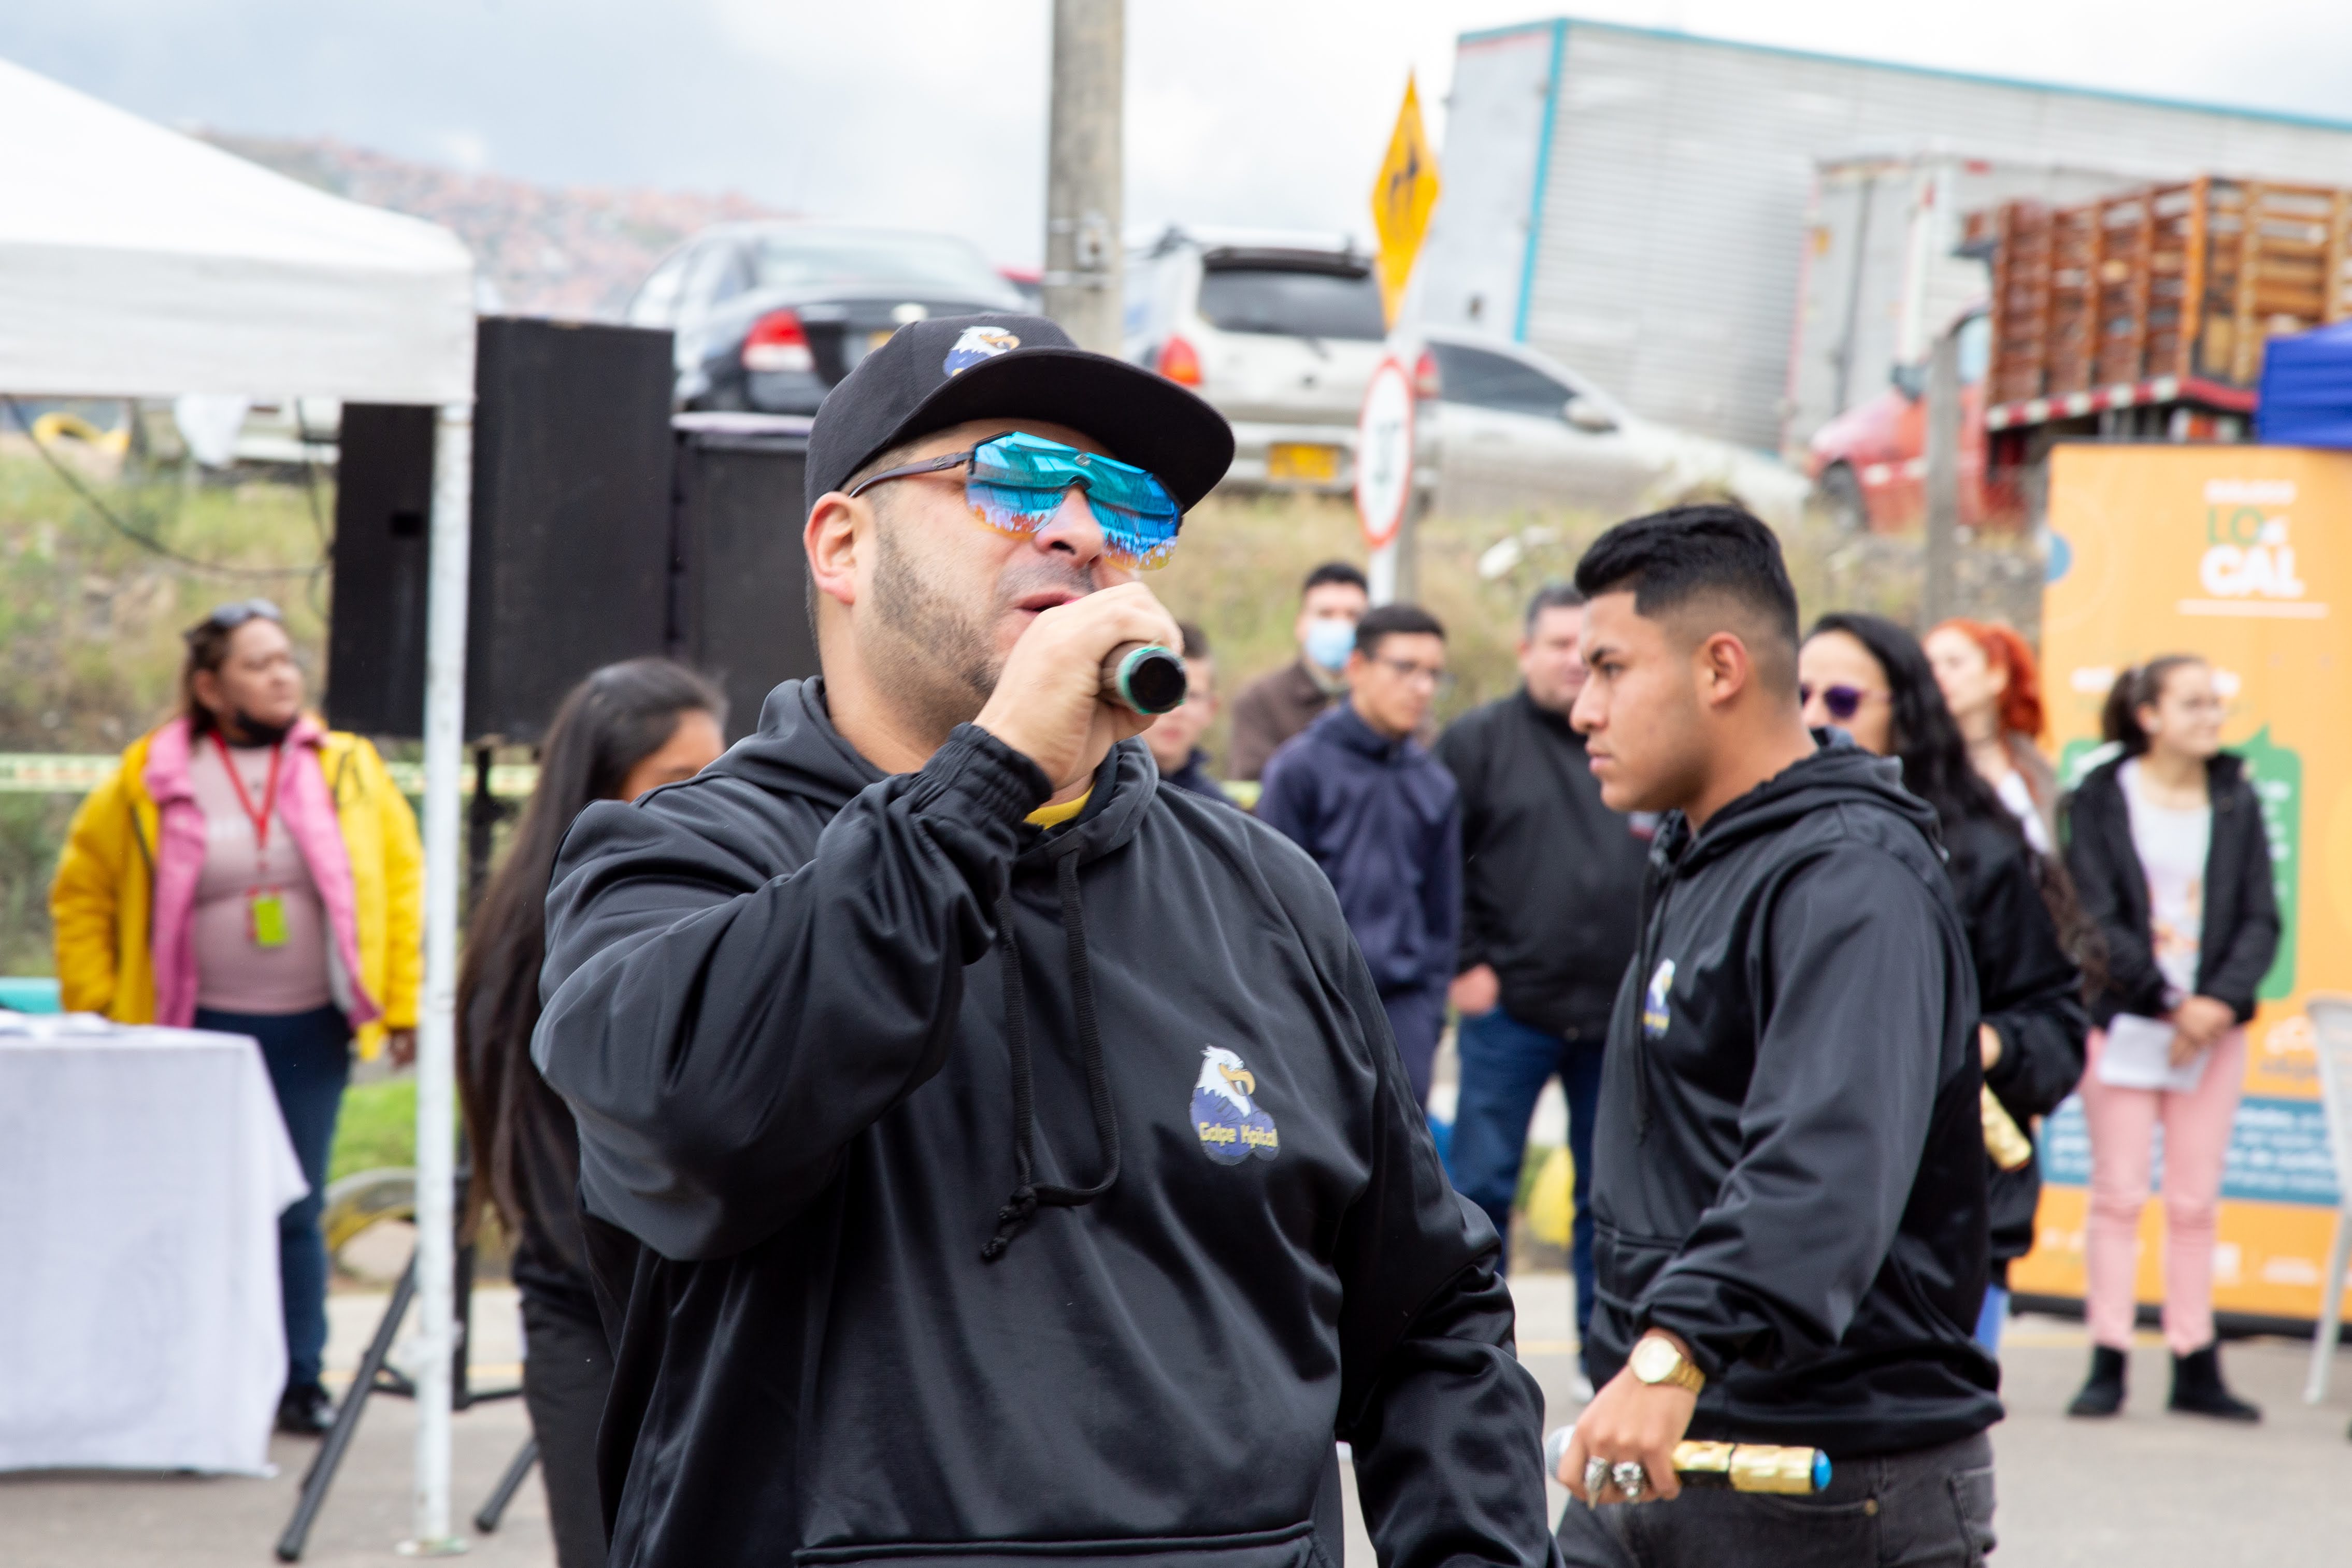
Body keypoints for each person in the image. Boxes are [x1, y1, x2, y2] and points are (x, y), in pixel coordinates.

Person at [530, 314, 1554, 1568]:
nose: (1077, 530)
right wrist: (992, 773)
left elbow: (1431, 1317)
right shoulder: (675, 858)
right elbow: (697, 1118)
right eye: (1010, 477)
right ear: (842, 546)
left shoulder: (1266, 894)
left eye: (1122, 500)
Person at [1552, 506, 1999, 1566]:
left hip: (1824, 1478)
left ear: (1719, 667)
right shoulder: (1703, 852)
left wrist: (1674, 1352)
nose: (1581, 709)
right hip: (1667, 1431)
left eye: (1609, 668)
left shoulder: (1850, 877)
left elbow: (1823, 1161)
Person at [51, 599, 422, 1436]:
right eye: (258, 664)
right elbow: (84, 893)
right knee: (192, 1203)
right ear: (211, 686)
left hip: (307, 1029)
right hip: (190, 1034)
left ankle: (299, 1378)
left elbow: (400, 885)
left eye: (286, 659)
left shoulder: (348, 767)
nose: (282, 674)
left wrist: (401, 999)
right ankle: (186, 1373)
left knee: (294, 1202)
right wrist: (102, 1010)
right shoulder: (149, 774)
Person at [455, 657, 725, 1568]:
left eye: (721, 769)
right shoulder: (538, 942)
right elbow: (552, 1177)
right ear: (601, 788)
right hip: (596, 1308)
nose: (712, 796)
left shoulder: (722, 900)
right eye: (678, 780)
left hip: (690, 1303)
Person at [1801, 613, 2089, 1357]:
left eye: (1838, 699)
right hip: (1804, 1217)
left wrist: (1981, 1038)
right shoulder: (1754, 840)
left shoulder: (1981, 849)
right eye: (1794, 693)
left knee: (1930, 1458)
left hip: (1948, 1216)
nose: (1811, 718)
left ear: (1906, 707)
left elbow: (2055, 1030)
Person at [1435, 582, 1646, 1388]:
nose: (1571, 661)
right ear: (1524, 651)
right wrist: (1465, 964)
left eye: (1586, 647)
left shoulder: (1629, 737)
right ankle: (1465, 1362)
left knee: (1611, 1201)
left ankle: (1607, 1364)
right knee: (1480, 1191)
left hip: (1617, 1016)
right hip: (1510, 1010)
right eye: (1556, 643)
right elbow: (1439, 861)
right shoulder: (1478, 742)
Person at [2063, 655, 2278, 1422]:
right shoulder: (2096, 796)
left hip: (2211, 1034)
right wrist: (2164, 999)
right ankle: (2108, 1357)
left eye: (2215, 702)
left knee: (2194, 1202)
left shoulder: (2237, 793)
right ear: (2147, 714)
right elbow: (2091, 912)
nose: (2211, 716)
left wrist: (2216, 1003)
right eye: (2192, 702)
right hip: (2126, 1023)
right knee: (2118, 1195)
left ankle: (2195, 1358)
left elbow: (2261, 913)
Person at [1257, 604, 1460, 1105]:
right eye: (1405, 668)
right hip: (1314, 1009)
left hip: (1405, 1013)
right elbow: (1264, 907)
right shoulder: (1299, 769)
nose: (1422, 687)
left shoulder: (1434, 783)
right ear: (1357, 669)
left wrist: (1428, 1014)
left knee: (1406, 1174)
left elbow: (1442, 916)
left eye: (1433, 673)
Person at [1925, 618, 2059, 853]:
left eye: (1954, 663)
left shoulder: (2033, 765)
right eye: (1928, 666)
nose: (1939, 675)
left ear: (1996, 674)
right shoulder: (1921, 763)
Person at [1226, 560, 1368, 781]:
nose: (1340, 627)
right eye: (1326, 614)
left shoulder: (1390, 699)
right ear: (1301, 624)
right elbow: (1251, 789)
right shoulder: (1261, 701)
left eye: (1353, 616)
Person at [1143, 620, 1230, 803]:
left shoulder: (1219, 811)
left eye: (1192, 696)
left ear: (1212, 709)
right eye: (1163, 691)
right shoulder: (1095, 794)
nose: (1176, 712)